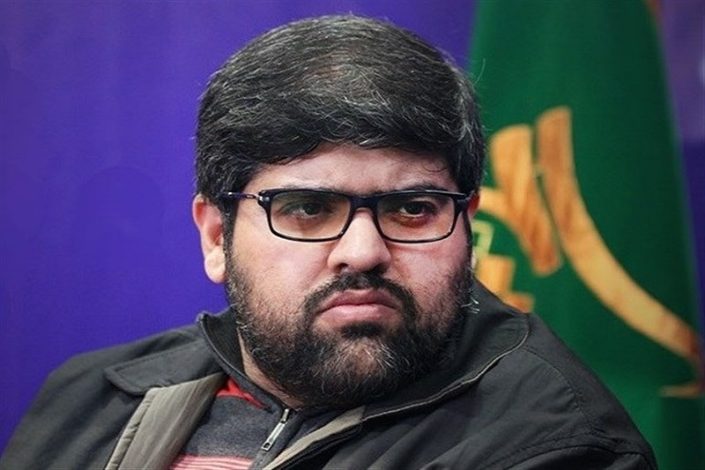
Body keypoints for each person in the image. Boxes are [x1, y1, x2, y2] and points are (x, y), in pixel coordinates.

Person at [0, 15, 656, 470]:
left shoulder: (557, 447)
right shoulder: (88, 395)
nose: (363, 252)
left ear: (467, 225)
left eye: (412, 209)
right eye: (308, 209)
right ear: (216, 235)